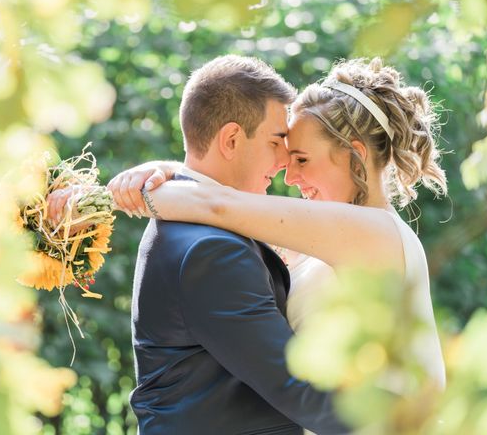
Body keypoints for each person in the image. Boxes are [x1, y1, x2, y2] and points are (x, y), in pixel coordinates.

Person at [49, 55, 349, 434]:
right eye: (276, 140)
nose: (285, 159)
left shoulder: (190, 221)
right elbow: (296, 388)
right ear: (232, 139)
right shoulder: (212, 248)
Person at [109, 58, 447, 393]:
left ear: (353, 155)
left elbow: (219, 205)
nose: (289, 174)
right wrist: (169, 170)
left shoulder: (375, 233)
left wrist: (112, 195)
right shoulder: (317, 241)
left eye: (301, 159)